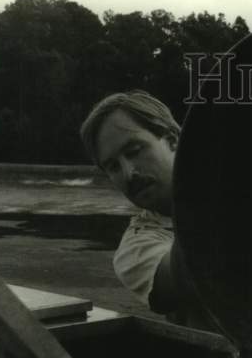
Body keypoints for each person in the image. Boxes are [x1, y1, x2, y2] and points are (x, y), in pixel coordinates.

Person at [80, 90, 208, 328]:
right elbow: (193, 275)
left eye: (134, 152)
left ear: (172, 140)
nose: (129, 173)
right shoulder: (136, 250)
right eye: (113, 167)